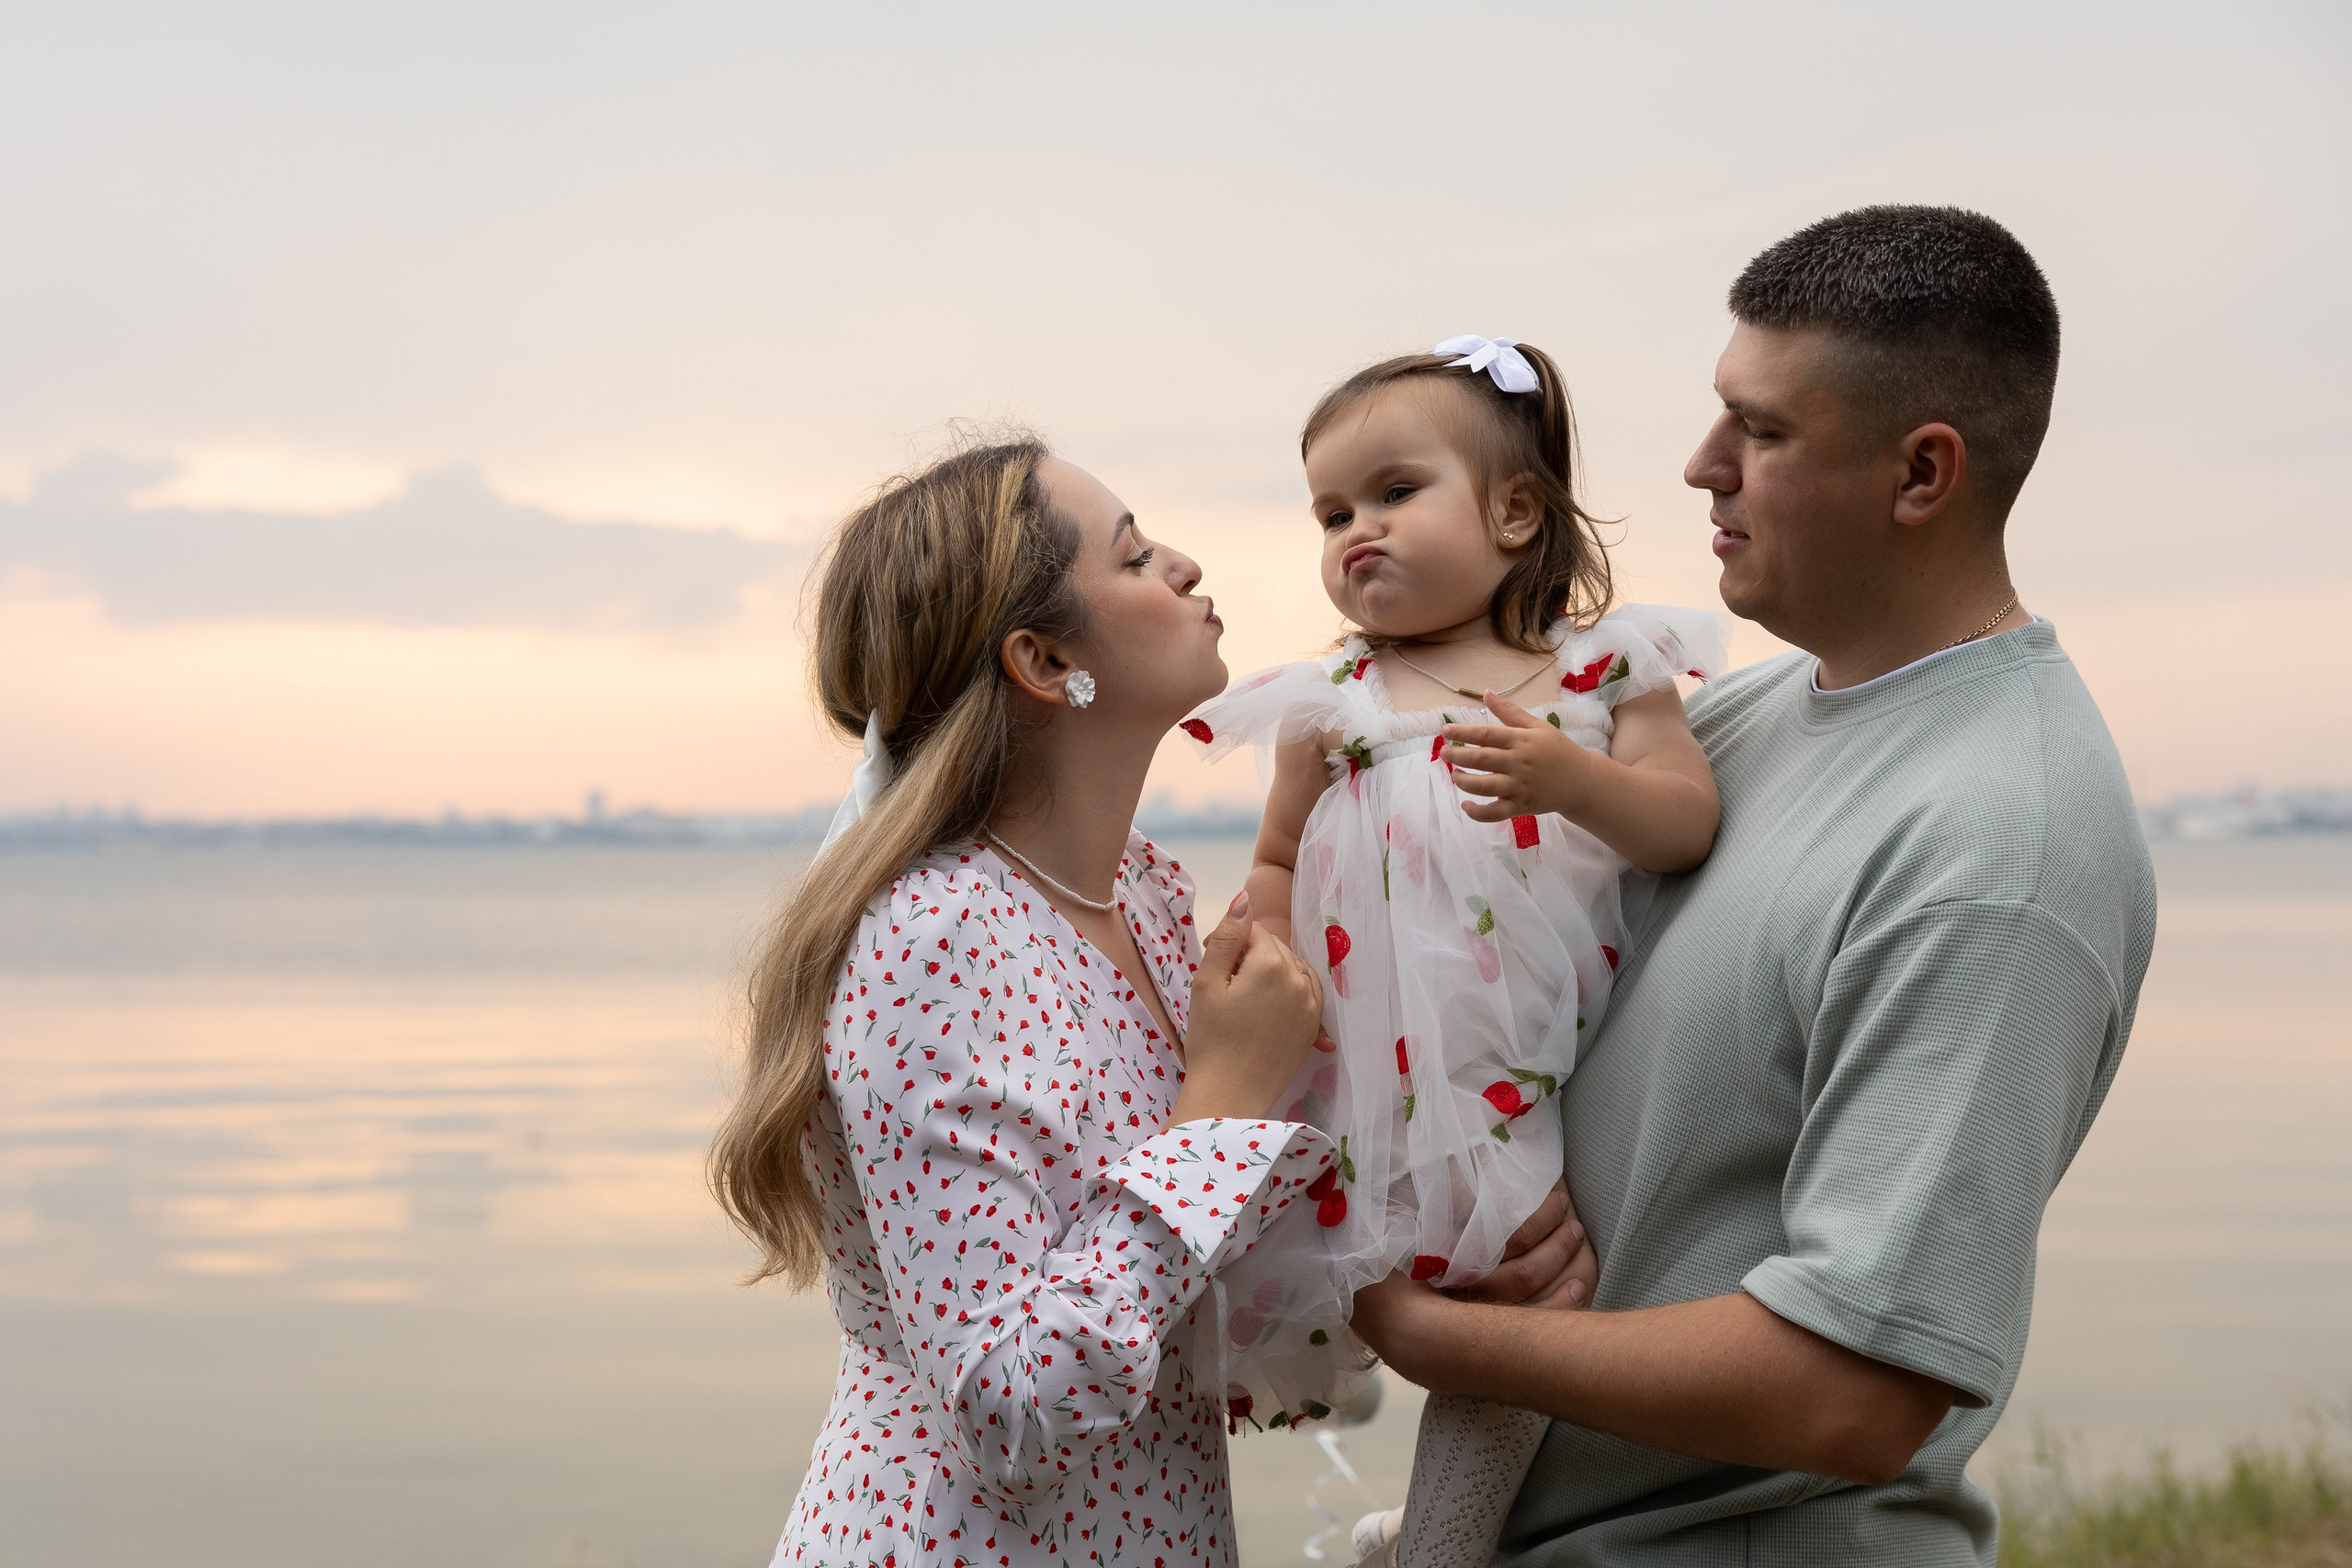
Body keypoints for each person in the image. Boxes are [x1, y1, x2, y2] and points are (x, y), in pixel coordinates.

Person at [1347, 205, 2159, 1565]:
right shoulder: (1748, 717)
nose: (1699, 466)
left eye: (1762, 431)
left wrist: (1427, 1330)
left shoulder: (1996, 845)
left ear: (1922, 474)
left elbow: (1856, 1389)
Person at [708, 437, 1340, 1566]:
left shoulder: (1140, 891)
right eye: (1137, 556)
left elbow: (1171, 1273)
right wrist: (1221, 1111)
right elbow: (1007, 1406)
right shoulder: (936, 938)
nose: (1187, 567)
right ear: (1046, 662)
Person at [1179, 335, 1724, 1567]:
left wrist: (1573, 774)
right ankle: (1345, 1372)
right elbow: (1277, 855)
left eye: (1392, 492)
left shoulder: (1596, 667)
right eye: (1331, 510)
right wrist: (1255, 944)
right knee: (1322, 1249)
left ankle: (1430, 1546)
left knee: (1514, 1305)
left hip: (1509, 1066)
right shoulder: (1334, 698)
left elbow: (1685, 822)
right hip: (1359, 1058)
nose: (1355, 529)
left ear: (1517, 511)